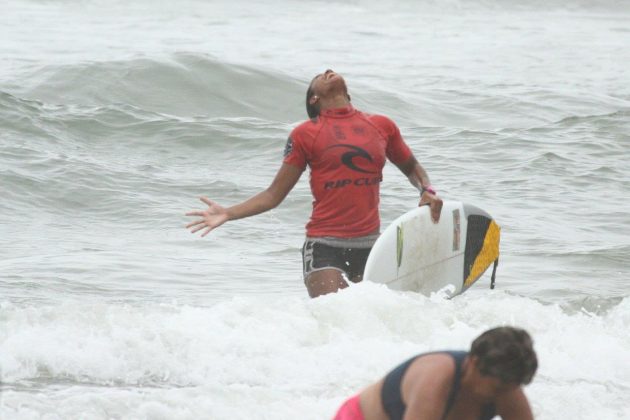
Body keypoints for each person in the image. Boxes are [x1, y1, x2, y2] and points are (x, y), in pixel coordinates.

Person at [185, 69, 443, 298]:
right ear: (314, 99)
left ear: (349, 95)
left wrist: (427, 190)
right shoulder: (304, 134)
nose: (328, 71)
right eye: (319, 76)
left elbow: (412, 168)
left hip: (372, 247)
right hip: (324, 247)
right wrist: (229, 213)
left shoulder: (381, 125)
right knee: (336, 317)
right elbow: (274, 195)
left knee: (368, 325)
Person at [334, 326, 538, 420]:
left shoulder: (507, 385)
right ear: (474, 363)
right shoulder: (436, 379)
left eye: (513, 388)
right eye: (498, 388)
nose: (504, 395)